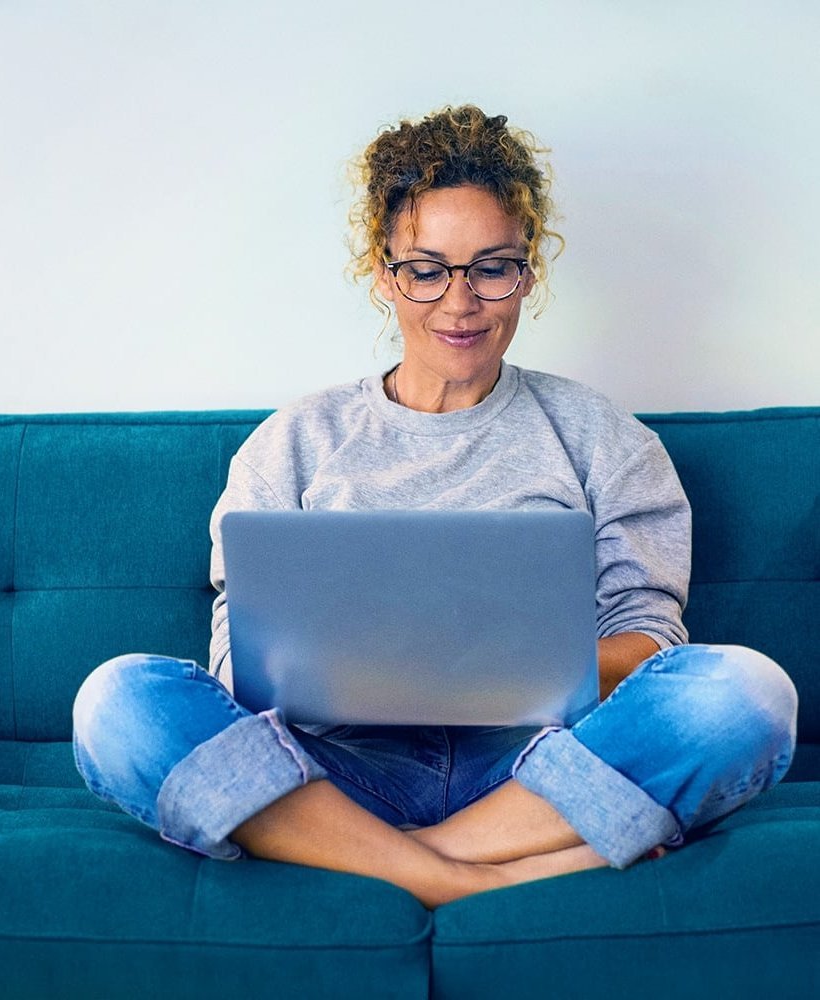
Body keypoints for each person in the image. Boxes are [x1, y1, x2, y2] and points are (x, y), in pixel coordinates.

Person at [70, 105, 798, 908]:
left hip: (538, 771)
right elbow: (235, 669)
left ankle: (399, 862)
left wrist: (499, 674)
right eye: (427, 269)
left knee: (748, 691)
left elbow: (650, 642)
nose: (462, 302)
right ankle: (467, 876)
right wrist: (356, 676)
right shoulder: (295, 442)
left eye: (493, 267)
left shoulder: (602, 438)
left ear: (529, 271)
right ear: (383, 273)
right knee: (117, 700)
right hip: (336, 773)